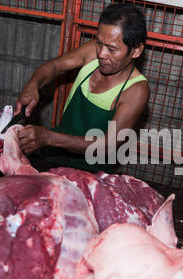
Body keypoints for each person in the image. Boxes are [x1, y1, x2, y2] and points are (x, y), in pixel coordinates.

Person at [15, 3, 149, 173]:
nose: (101, 53)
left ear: (136, 50)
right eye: (99, 43)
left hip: (91, 172)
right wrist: (32, 84)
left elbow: (107, 145)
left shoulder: (136, 89)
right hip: (54, 154)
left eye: (112, 49)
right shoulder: (93, 51)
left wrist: (49, 137)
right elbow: (55, 66)